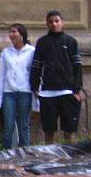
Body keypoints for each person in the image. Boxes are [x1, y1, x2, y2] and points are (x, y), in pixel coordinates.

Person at [30, 10, 83, 144]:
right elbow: (36, 66)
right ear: (47, 24)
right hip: (48, 93)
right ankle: (49, 160)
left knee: (69, 131)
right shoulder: (42, 42)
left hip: (67, 92)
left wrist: (77, 89)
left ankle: (70, 159)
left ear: (62, 22)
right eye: (51, 22)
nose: (54, 24)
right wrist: (34, 87)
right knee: (49, 131)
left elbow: (77, 66)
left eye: (56, 21)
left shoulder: (71, 42)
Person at [0, 23, 35, 149]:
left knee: (24, 126)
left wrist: (36, 95)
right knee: (8, 126)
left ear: (21, 34)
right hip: (9, 92)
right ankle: (6, 153)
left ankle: (24, 153)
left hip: (25, 92)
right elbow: (1, 75)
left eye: (14, 32)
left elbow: (35, 73)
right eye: (10, 32)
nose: (11, 35)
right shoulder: (6, 53)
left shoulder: (32, 51)